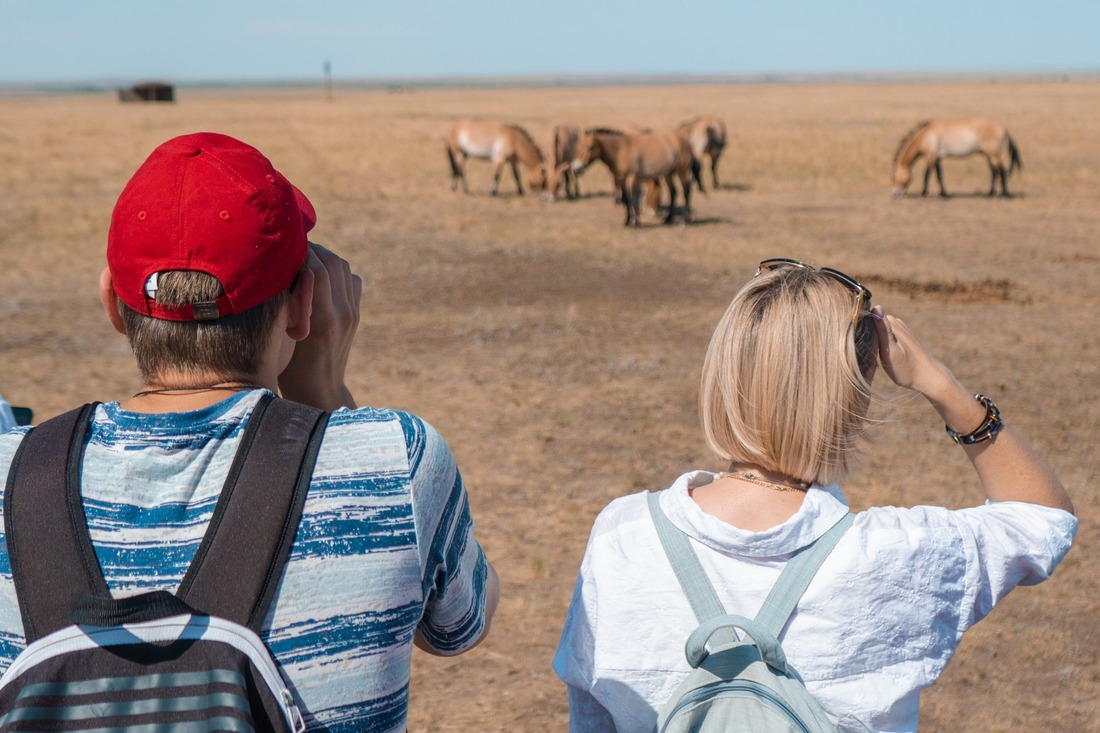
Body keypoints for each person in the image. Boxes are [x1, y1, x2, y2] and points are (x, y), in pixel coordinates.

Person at [0, 132, 500, 732]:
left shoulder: (10, 477)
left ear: (112, 303)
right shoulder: (395, 461)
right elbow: (459, 626)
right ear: (304, 304)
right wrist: (327, 404)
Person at [553, 258, 1076, 732]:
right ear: (854, 394)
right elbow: (1043, 520)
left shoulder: (622, 534)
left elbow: (592, 716)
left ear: (723, 370)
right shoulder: (893, 553)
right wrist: (943, 388)